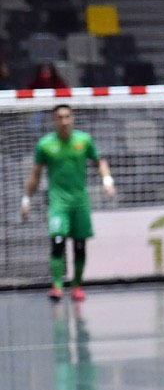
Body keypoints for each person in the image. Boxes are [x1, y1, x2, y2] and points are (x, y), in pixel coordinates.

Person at [19, 105, 116, 302]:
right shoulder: (45, 145)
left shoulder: (84, 140)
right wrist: (26, 200)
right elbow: (35, 174)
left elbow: (100, 162)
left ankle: (77, 287)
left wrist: (107, 181)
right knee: (57, 242)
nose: (64, 121)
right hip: (58, 202)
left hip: (80, 202)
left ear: (72, 118)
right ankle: (56, 286)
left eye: (67, 117)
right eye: (59, 117)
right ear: (54, 120)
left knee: (79, 246)